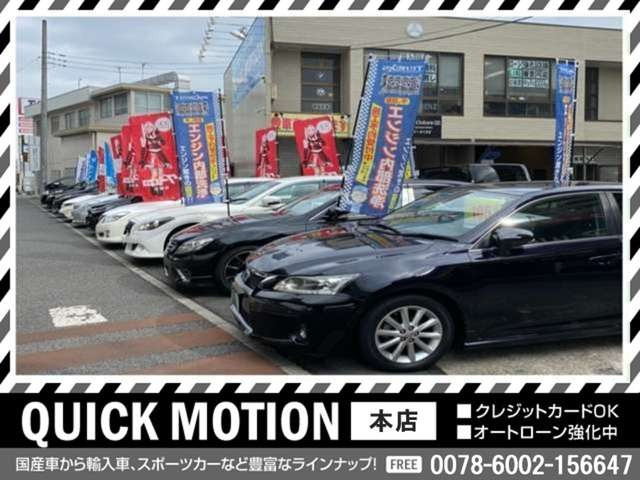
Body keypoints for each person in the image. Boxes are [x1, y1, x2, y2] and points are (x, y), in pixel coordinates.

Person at [140, 122, 169, 196]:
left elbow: (163, 143)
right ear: (146, 129)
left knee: (161, 173)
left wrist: (158, 137)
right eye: (147, 127)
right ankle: (153, 188)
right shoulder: (145, 138)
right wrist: (143, 160)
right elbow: (143, 149)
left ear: (153, 128)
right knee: (154, 174)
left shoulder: (158, 136)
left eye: (150, 127)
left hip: (160, 155)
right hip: (152, 156)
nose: (149, 128)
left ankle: (160, 189)